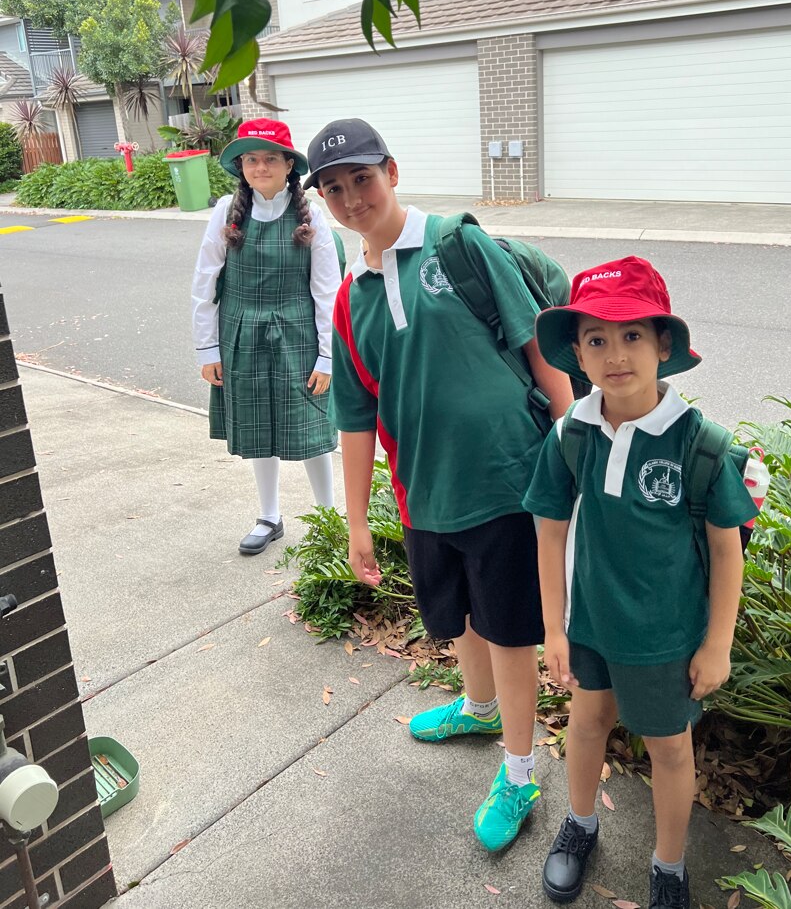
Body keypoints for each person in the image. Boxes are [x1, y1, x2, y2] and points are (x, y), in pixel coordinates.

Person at [304, 118, 573, 851]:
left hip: (509, 480)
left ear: (391, 169)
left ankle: (518, 772)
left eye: (362, 177)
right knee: (460, 618)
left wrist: (571, 451)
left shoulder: (457, 243)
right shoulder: (349, 297)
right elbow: (355, 418)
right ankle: (479, 708)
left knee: (511, 631)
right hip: (424, 492)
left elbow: (537, 348)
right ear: (322, 199)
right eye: (334, 187)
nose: (352, 196)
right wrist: (356, 520)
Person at [522, 257, 758, 908]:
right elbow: (548, 531)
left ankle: (668, 864)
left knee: (669, 748)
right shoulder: (571, 433)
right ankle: (579, 823)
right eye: (595, 338)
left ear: (662, 344)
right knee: (587, 720)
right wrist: (553, 627)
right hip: (591, 624)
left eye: (631, 335)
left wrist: (717, 643)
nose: (614, 353)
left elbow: (724, 547)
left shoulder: (698, 443)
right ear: (576, 352)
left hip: (666, 636)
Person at [191, 118, 342, 555]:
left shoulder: (311, 216)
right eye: (251, 159)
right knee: (259, 426)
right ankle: (269, 516)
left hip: (298, 334)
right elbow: (206, 280)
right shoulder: (225, 212)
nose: (260, 167)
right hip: (241, 333)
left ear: (288, 165)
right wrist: (208, 347)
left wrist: (328, 357)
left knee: (310, 425)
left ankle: (328, 518)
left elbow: (327, 291)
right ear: (241, 166)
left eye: (270, 158)